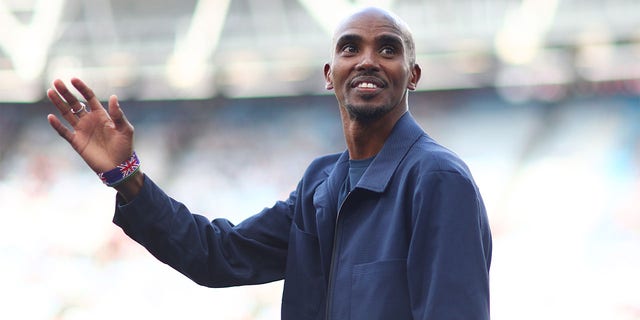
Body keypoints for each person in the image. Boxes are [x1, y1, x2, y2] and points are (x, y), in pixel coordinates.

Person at [46, 7, 492, 320]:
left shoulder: (436, 180)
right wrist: (127, 177)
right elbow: (220, 256)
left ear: (413, 74)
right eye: (350, 48)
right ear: (329, 73)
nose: (368, 61)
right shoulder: (321, 184)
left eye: (389, 49)